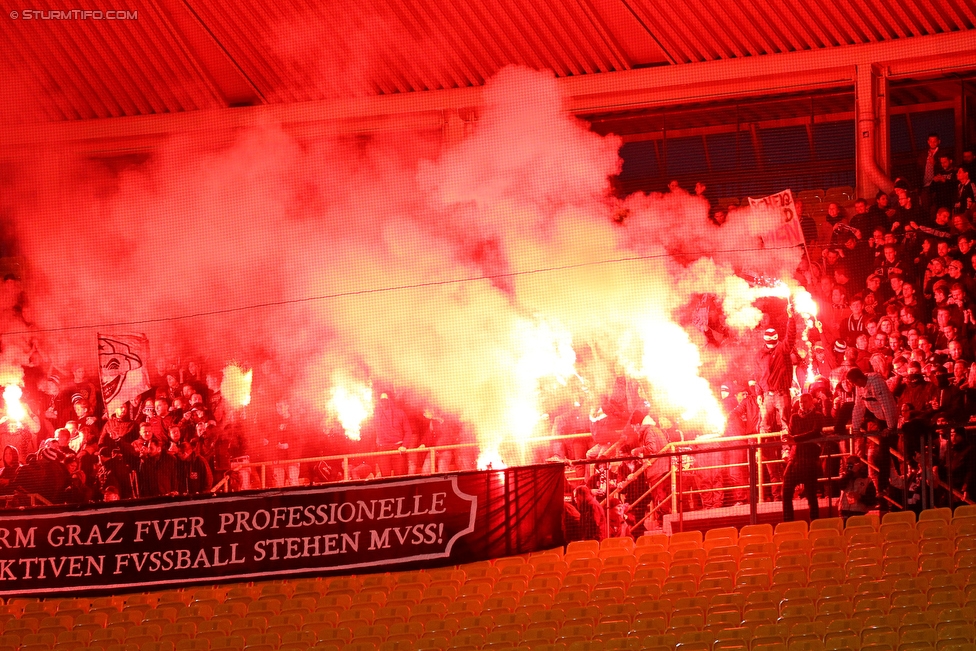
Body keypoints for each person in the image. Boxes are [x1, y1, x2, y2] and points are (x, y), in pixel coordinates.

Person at [782, 394, 825, 522]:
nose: (802, 404)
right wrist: (789, 442)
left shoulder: (818, 416)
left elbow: (815, 432)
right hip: (795, 458)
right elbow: (790, 434)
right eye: (800, 402)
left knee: (811, 494)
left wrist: (795, 439)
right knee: (786, 491)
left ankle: (814, 521)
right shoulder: (794, 417)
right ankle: (788, 522)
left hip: (810, 459)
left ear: (811, 402)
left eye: (805, 402)